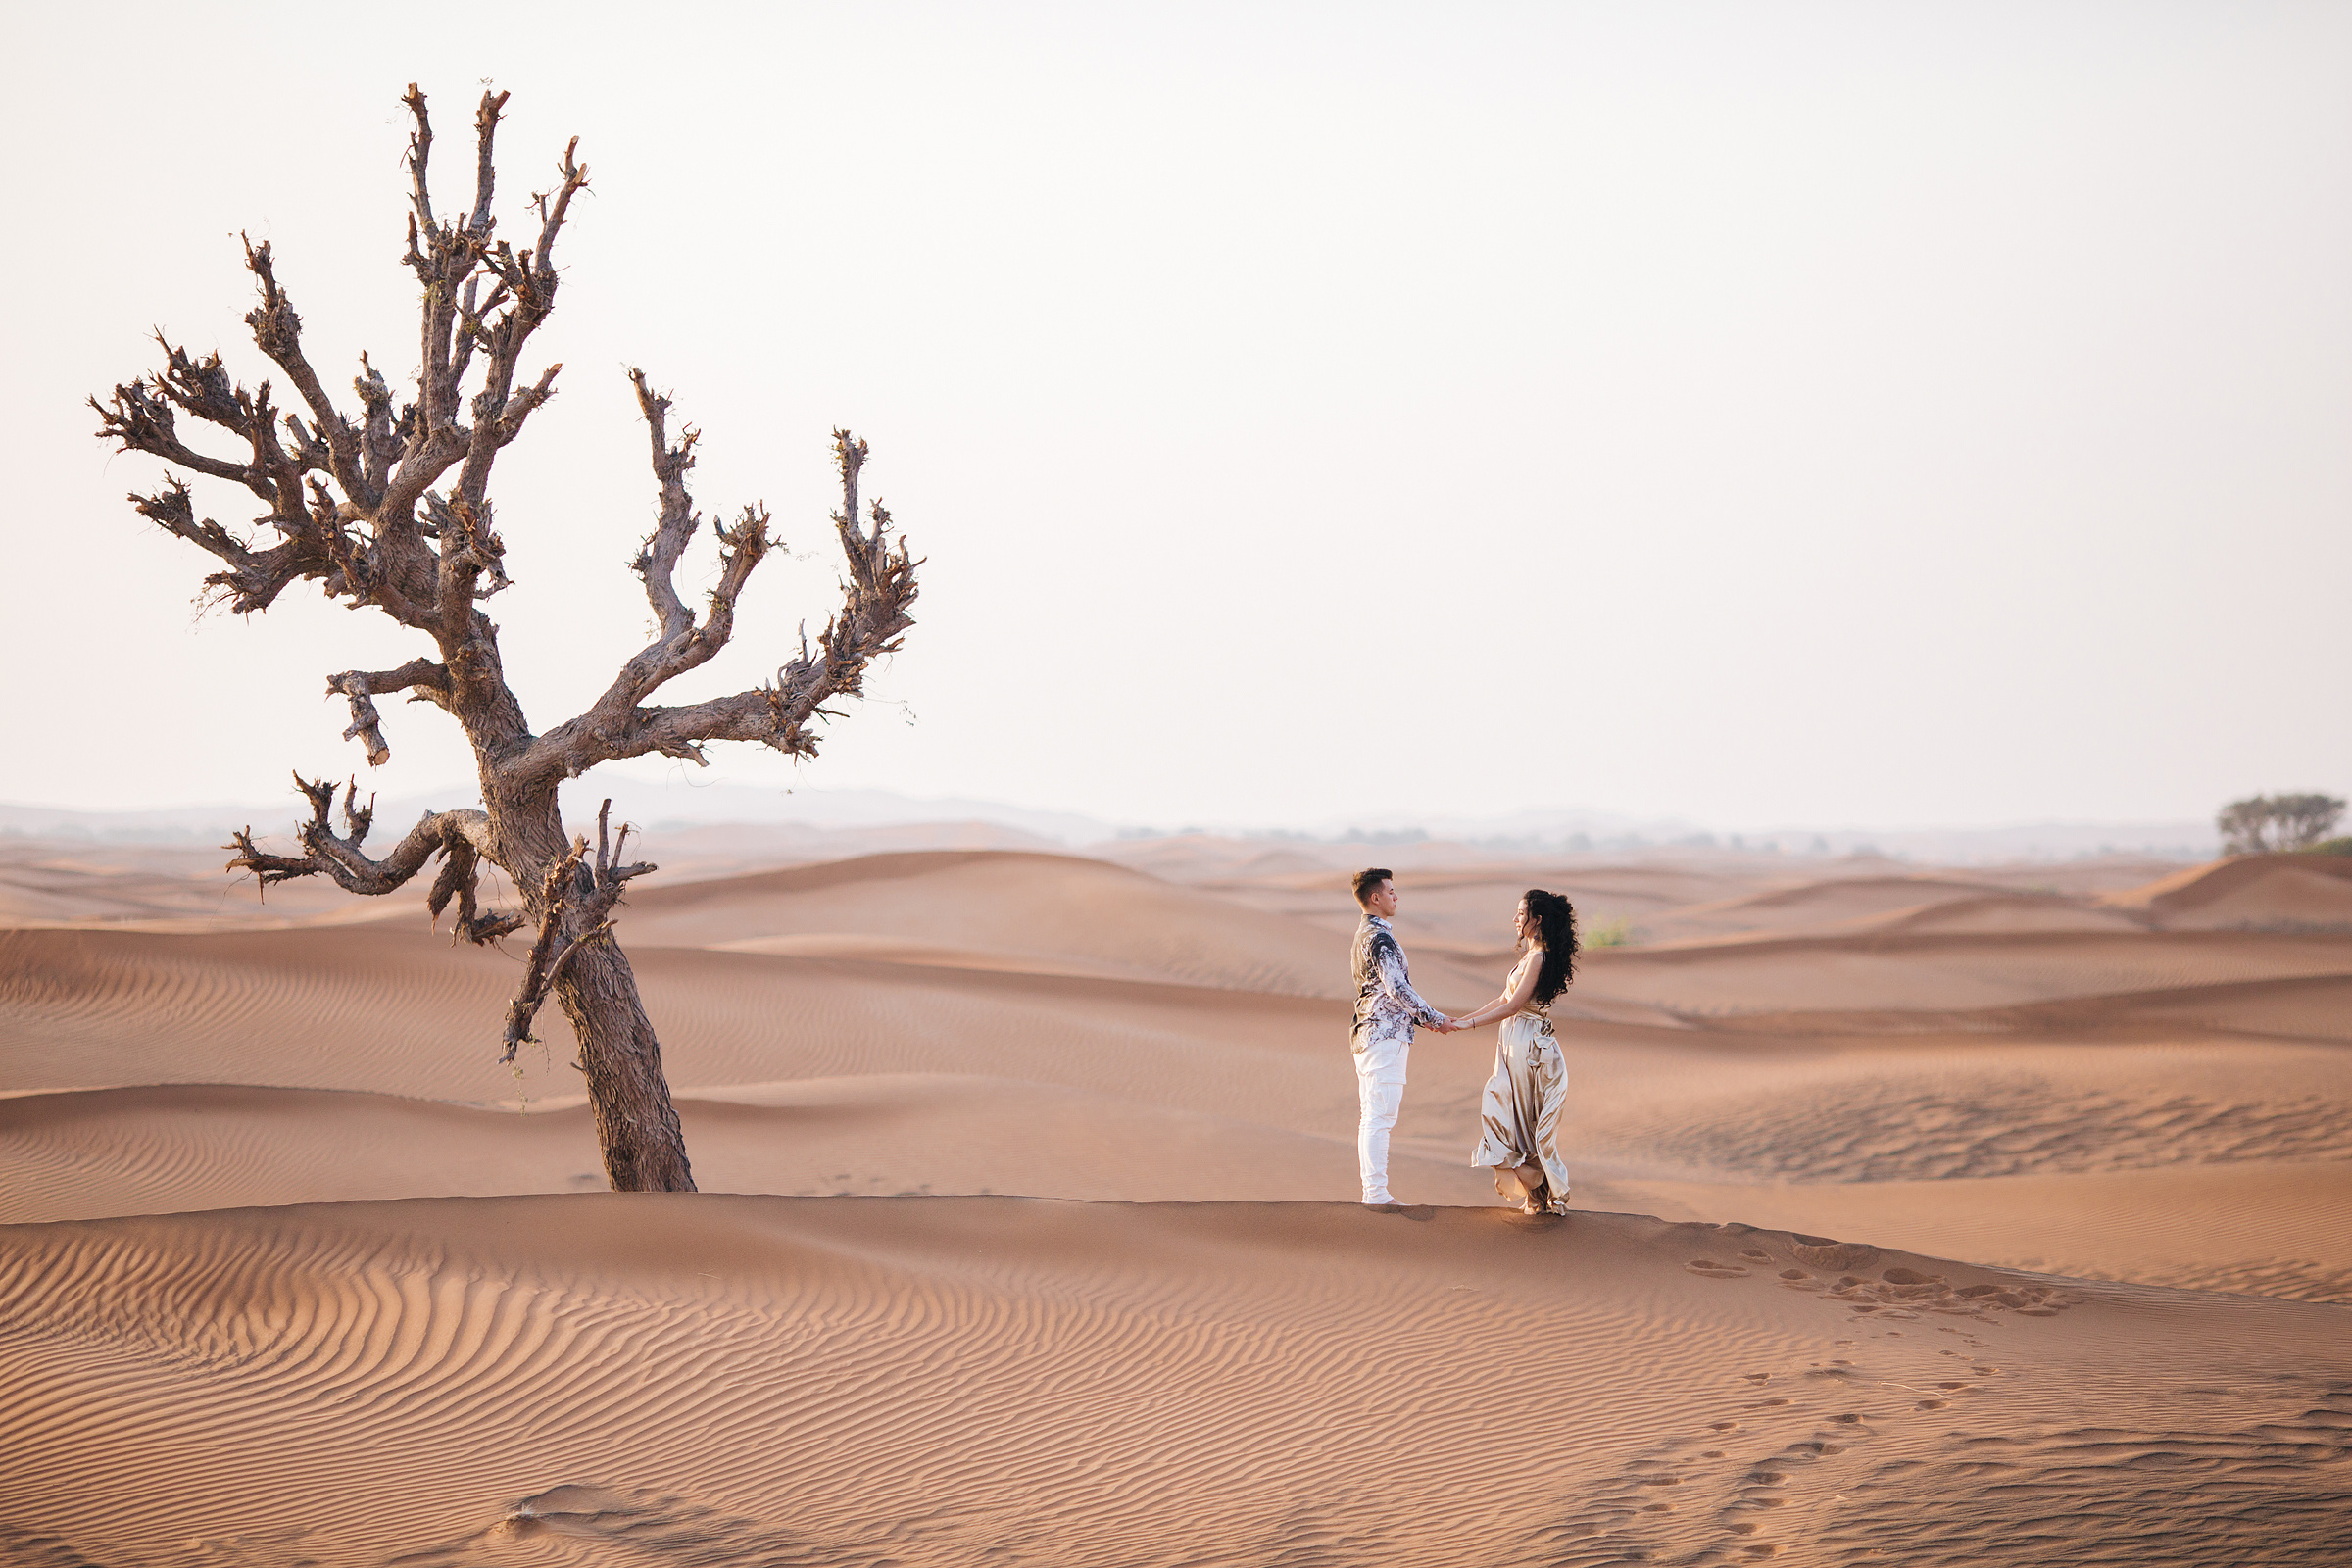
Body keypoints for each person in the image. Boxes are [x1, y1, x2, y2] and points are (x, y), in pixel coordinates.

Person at [1447, 889, 1578, 1215]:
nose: (1515, 919)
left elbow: (1513, 1006)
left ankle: (1539, 1199)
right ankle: (1537, 1198)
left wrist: (1471, 1025)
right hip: (1515, 1043)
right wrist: (1461, 1021)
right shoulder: (1531, 954)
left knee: (1519, 1118)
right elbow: (1503, 998)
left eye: (1521, 914)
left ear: (1537, 920)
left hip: (1527, 1046)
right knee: (1517, 1118)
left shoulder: (1537, 957)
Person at [1348, 867, 1452, 1206]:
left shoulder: (1363, 935)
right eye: (1390, 891)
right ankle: (1376, 1195)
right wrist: (1434, 1019)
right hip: (1384, 1036)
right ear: (1375, 898)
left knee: (1373, 1116)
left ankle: (1374, 1192)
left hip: (1368, 1035)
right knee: (1380, 1116)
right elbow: (1397, 988)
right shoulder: (1379, 939)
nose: (1396, 896)